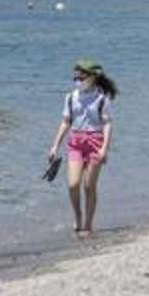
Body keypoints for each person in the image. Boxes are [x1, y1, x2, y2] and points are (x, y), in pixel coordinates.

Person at [47, 59, 117, 238]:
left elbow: (108, 123)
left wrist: (104, 149)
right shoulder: (71, 97)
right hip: (75, 142)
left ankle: (88, 224)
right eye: (76, 76)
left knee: (89, 186)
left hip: (95, 142)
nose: (77, 79)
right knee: (73, 184)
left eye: (82, 75)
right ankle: (78, 216)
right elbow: (66, 122)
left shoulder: (102, 98)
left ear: (92, 77)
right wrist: (55, 145)